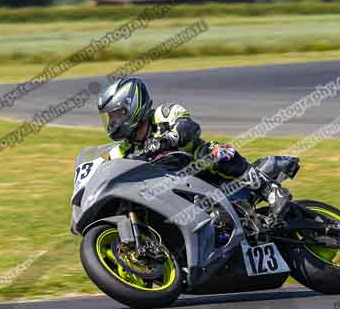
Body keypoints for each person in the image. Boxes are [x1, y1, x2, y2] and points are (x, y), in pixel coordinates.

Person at [97, 77, 285, 216]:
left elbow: (190, 128)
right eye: (110, 117)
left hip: (202, 171)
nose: (113, 122)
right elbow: (104, 169)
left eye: (116, 115)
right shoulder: (122, 150)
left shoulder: (164, 114)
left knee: (214, 152)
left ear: (133, 106)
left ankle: (270, 190)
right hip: (170, 190)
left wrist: (166, 140)